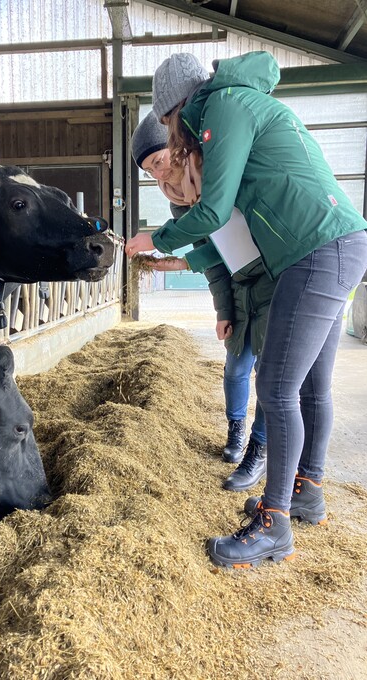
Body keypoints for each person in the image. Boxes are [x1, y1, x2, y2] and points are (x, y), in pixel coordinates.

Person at [125, 51, 367, 569]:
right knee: (309, 388)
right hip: (334, 243)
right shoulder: (237, 102)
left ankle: (274, 525)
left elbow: (213, 209)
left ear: (177, 106)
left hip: (315, 249)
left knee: (276, 389)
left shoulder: (225, 107)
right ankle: (307, 492)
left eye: (169, 123)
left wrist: (154, 238)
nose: (173, 137)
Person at [131, 109, 275, 492]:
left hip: (271, 279)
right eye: (150, 172)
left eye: (159, 162)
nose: (159, 176)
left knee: (272, 375)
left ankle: (258, 450)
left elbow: (239, 238)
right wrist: (224, 311)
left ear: (177, 150)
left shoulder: (215, 176)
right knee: (235, 367)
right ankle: (236, 433)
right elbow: (218, 258)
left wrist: (168, 251)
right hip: (239, 286)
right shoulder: (181, 203)